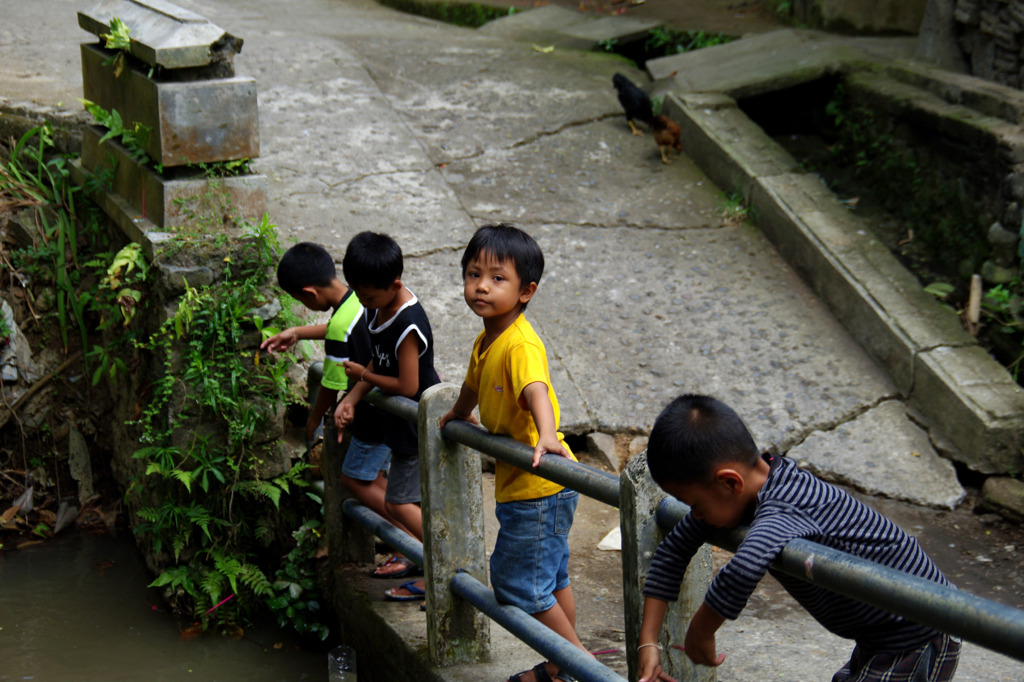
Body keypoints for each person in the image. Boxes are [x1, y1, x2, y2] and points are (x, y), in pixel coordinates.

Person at [637, 393, 961, 682]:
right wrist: (649, 642)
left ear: (729, 483)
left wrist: (700, 633)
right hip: (879, 633)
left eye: (695, 504)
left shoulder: (785, 504)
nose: (695, 515)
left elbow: (743, 569)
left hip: (918, 629)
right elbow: (671, 553)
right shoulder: (740, 494)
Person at [438, 223, 586, 682]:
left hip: (537, 485)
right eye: (473, 274)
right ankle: (563, 667)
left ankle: (581, 667)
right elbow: (471, 387)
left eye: (497, 278)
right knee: (552, 580)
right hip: (537, 486)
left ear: (527, 291)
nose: (481, 285)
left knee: (518, 584)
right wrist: (456, 416)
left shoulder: (519, 343)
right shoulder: (486, 340)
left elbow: (535, 387)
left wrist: (547, 433)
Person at [260, 242, 418, 580]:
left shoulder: (345, 318)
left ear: (308, 292)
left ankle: (413, 544)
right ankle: (407, 544)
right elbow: (340, 330)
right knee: (379, 482)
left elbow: (330, 386)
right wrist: (299, 332)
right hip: (392, 412)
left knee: (355, 479)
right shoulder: (360, 299)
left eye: (303, 301)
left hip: (374, 416)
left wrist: (315, 421)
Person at [335, 231, 440, 600]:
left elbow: (407, 384)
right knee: (403, 501)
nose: (363, 303)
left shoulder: (408, 324)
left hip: (414, 423)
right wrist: (353, 396)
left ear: (395, 284)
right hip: (397, 421)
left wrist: (362, 377)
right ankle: (434, 564)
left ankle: (441, 568)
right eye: (359, 295)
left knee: (400, 502)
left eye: (368, 296)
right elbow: (376, 361)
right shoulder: (378, 306)